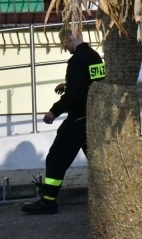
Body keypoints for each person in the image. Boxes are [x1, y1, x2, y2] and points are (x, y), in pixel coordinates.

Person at [21, 26, 105, 215]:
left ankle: (48, 202)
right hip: (92, 118)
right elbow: (93, 85)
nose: (65, 48)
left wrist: (54, 111)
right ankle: (111, 196)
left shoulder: (76, 60)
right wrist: (67, 84)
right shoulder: (94, 57)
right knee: (98, 161)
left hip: (77, 119)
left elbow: (74, 95)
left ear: (69, 38)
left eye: (63, 43)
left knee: (56, 158)